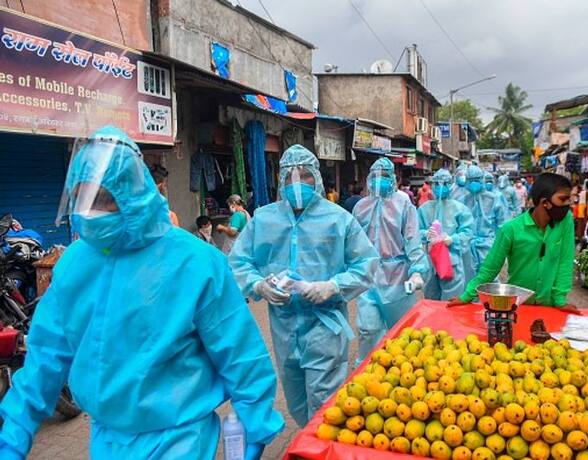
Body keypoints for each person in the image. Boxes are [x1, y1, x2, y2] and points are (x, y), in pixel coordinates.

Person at [0, 126, 284, 459]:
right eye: (82, 196)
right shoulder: (74, 264)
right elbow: (46, 354)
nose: (90, 212)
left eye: (103, 199)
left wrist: (257, 417)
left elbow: (238, 349)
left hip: (179, 439)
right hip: (106, 439)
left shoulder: (196, 262)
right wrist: (15, 431)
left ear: (133, 193)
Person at [229, 144, 377, 427]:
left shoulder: (338, 219)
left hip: (324, 326)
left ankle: (319, 450)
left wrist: (332, 286)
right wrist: (259, 285)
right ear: (281, 181)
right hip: (283, 328)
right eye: (290, 177)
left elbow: (367, 263)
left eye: (305, 176)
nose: (297, 183)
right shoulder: (263, 219)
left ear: (317, 178)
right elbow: (238, 261)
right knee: (296, 401)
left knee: (323, 407)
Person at [453, 173, 577, 310]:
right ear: (545, 202)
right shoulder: (510, 229)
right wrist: (466, 296)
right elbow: (490, 268)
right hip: (517, 305)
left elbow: (565, 261)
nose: (568, 204)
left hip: (550, 306)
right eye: (563, 199)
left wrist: (560, 300)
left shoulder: (566, 221)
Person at [353, 158, 427, 363]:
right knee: (368, 328)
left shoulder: (403, 203)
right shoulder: (360, 207)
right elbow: (352, 243)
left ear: (393, 178)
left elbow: (412, 238)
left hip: (398, 276)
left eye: (384, 176)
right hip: (369, 275)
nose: (379, 180)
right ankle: (367, 369)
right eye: (375, 176)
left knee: (402, 331)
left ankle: (403, 370)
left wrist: (417, 270)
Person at [418, 169, 474, 300]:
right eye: (437, 184)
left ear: (451, 185)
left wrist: (452, 239)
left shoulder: (460, 209)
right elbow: (414, 231)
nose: (440, 187)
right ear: (432, 185)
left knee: (451, 301)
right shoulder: (424, 209)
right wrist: (426, 233)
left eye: (444, 184)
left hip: (451, 260)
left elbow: (467, 232)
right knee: (431, 300)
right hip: (430, 260)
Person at [462, 165, 509, 274]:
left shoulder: (494, 199)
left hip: (489, 244)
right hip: (468, 245)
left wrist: (500, 247)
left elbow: (502, 224)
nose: (474, 183)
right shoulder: (464, 200)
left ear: (482, 179)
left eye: (477, 180)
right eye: (471, 180)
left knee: (489, 278)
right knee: (469, 279)